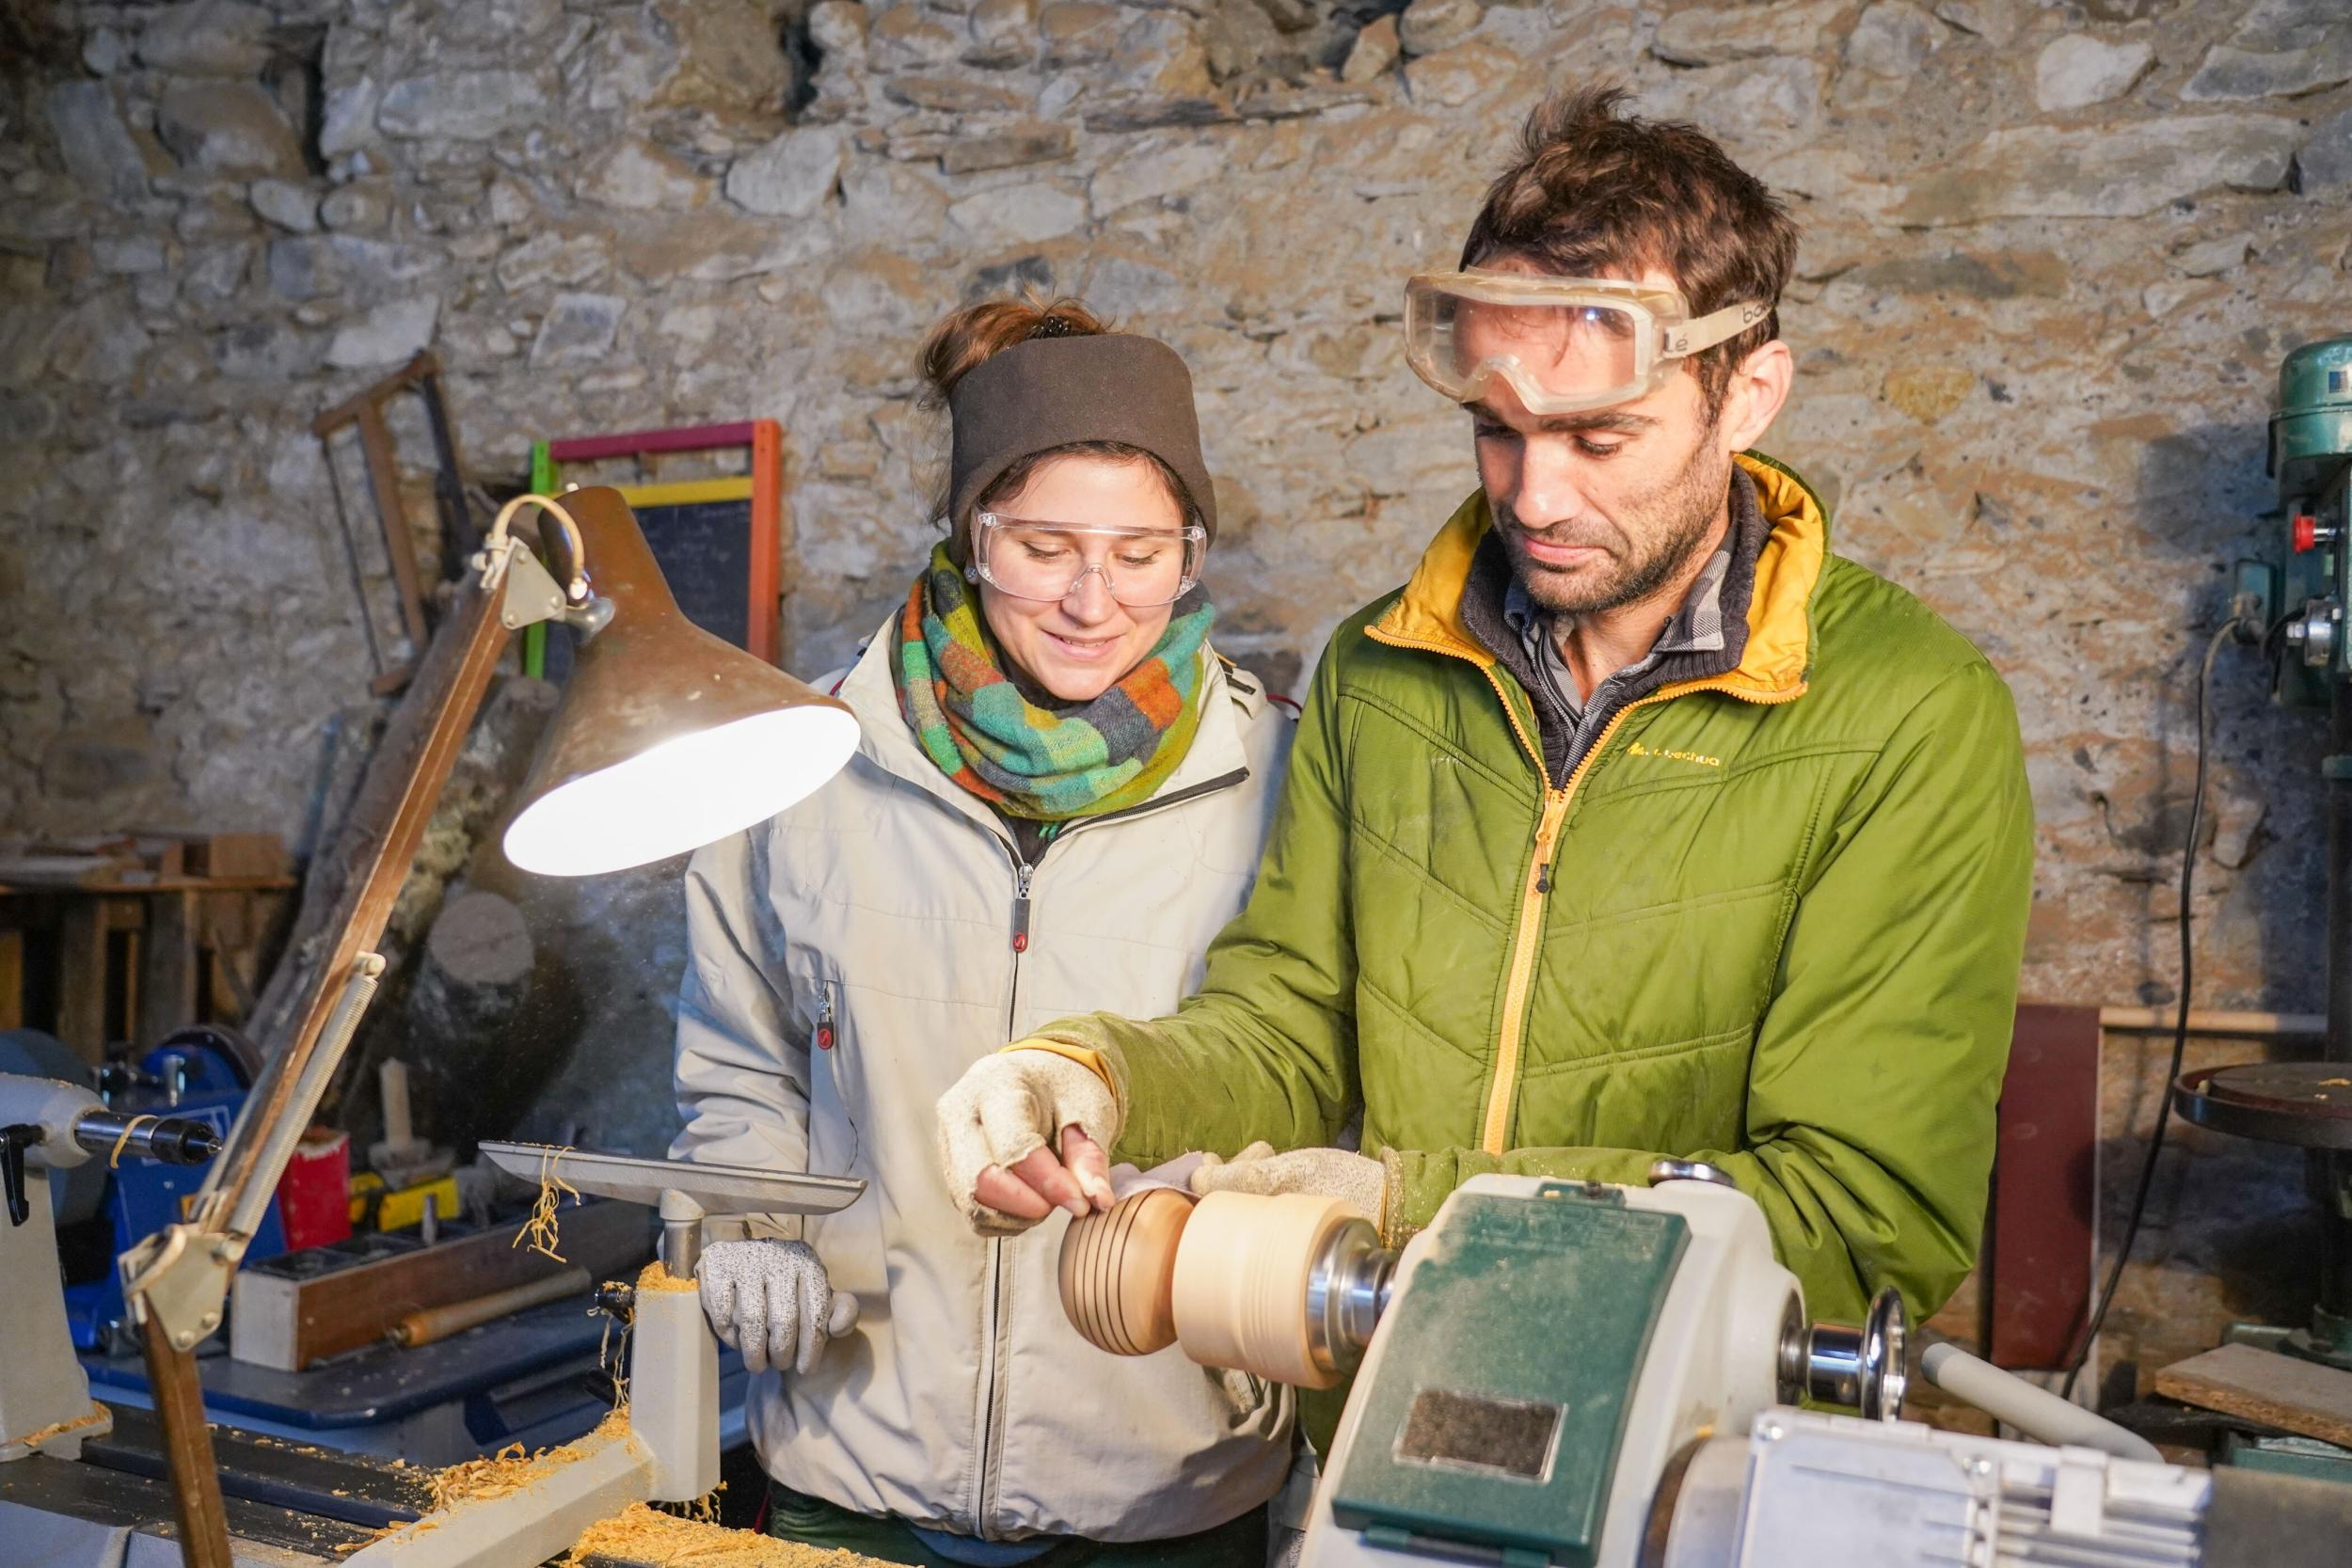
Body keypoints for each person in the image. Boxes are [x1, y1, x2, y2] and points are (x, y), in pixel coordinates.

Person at [933, 87, 2036, 1352]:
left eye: (1600, 436)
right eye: (1496, 433)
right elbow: (1292, 1023)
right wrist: (1100, 1074)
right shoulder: (1383, 672)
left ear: (1748, 394)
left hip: (1674, 1442)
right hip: (1376, 1401)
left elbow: (1860, 1216)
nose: (1539, 495)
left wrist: (1410, 1209)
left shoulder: (1907, 718)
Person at [671, 297, 1296, 1565]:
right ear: (968, 534)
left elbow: (1311, 1077)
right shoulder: (800, 769)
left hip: (1166, 1482)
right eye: (1044, 545)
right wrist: (748, 1230)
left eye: (1140, 551)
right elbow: (742, 1067)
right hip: (856, 1470)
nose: (1091, 598)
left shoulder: (1281, 781)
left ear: (1191, 549)